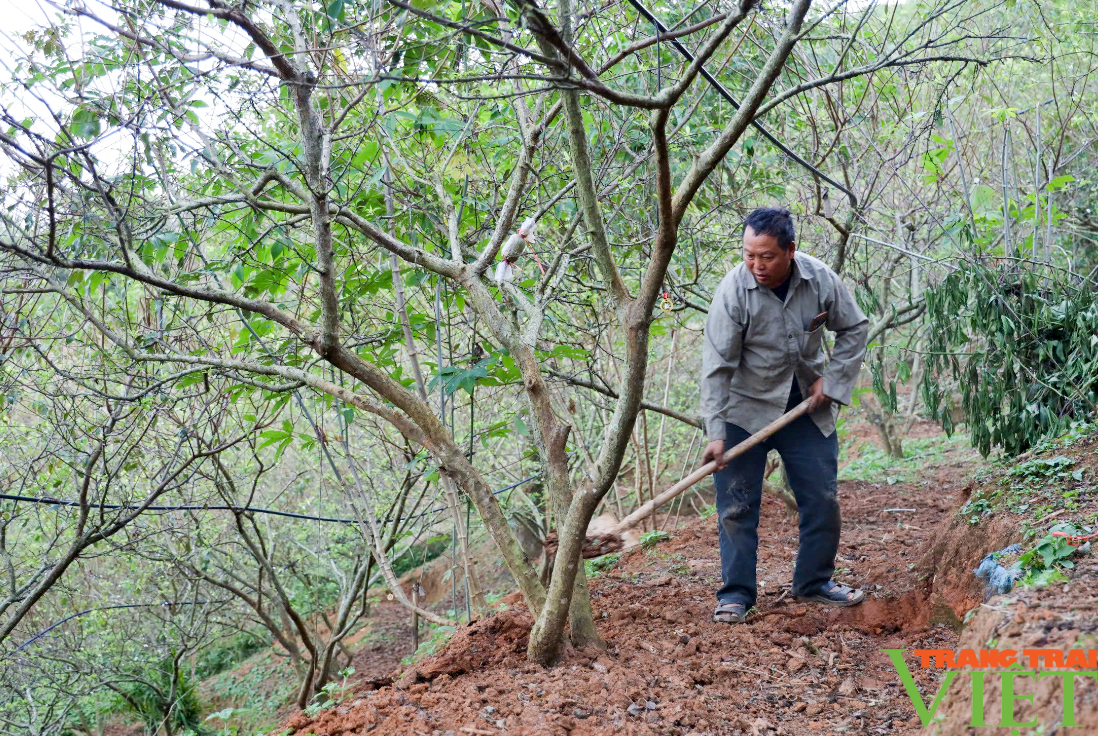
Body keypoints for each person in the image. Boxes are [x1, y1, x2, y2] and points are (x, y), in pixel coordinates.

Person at [700, 207, 869, 624]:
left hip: (805, 404)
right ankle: (736, 594)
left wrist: (832, 381)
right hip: (744, 408)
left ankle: (813, 582)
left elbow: (855, 328)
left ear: (790, 250)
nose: (756, 265)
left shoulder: (819, 279)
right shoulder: (732, 293)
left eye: (767, 256)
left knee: (822, 497)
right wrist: (717, 434)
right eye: (748, 255)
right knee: (736, 506)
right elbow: (717, 368)